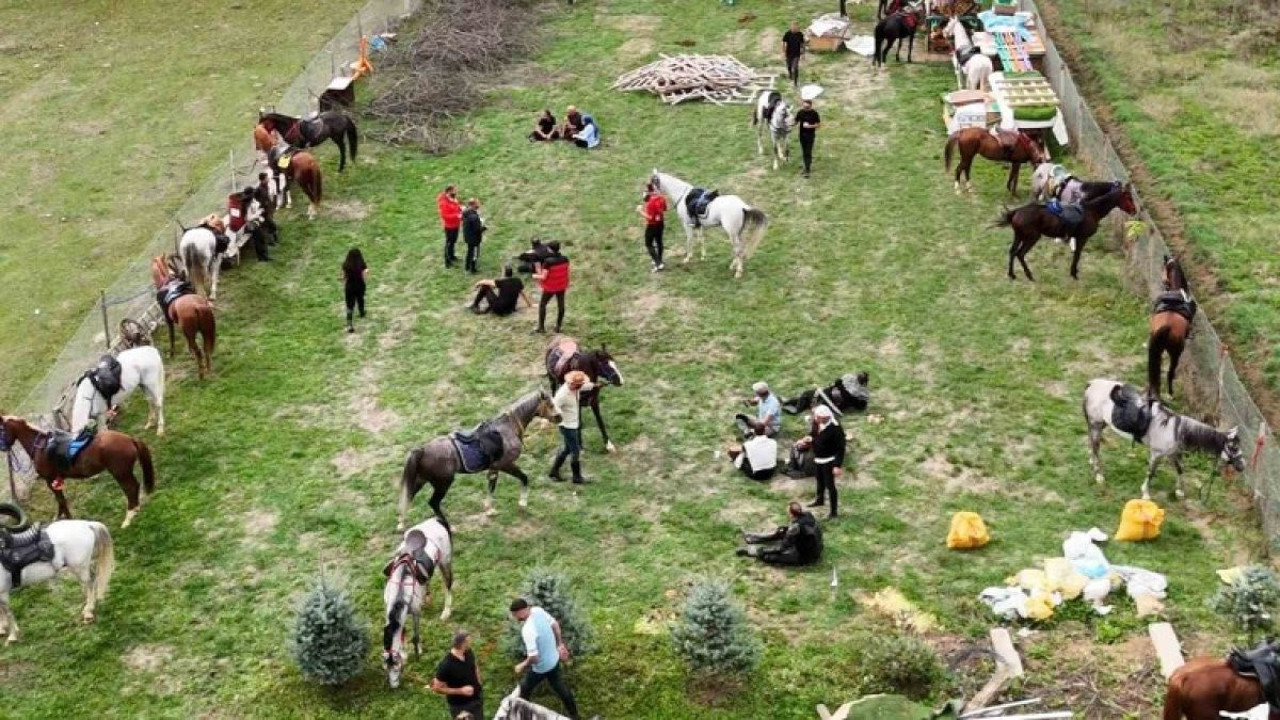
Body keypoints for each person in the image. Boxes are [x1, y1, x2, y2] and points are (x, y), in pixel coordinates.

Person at [510, 598, 581, 720]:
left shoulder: (527, 630)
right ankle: (574, 714)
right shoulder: (538, 610)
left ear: (521, 612)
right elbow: (555, 625)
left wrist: (522, 665)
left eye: (515, 615)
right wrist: (560, 644)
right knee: (560, 687)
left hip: (541, 667)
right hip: (554, 659)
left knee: (525, 689)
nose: (515, 618)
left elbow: (534, 657)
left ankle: (521, 714)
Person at [736, 502, 824, 565]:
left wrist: (763, 550)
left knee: (769, 556)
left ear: (791, 514)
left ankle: (749, 551)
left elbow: (781, 548)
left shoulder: (795, 527)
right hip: (815, 547)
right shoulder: (808, 515)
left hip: (805, 556)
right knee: (781, 532)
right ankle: (752, 537)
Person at [550, 370, 593, 484]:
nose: (580, 386)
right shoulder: (562, 395)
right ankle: (577, 477)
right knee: (575, 451)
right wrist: (549, 420)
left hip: (573, 424)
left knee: (567, 449)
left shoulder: (576, 388)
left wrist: (595, 386)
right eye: (578, 385)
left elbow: (585, 386)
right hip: (567, 426)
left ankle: (554, 471)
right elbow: (553, 407)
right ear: (572, 384)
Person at [431, 631, 484, 720]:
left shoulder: (468, 652)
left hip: (476, 700)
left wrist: (479, 683)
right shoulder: (446, 665)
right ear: (463, 644)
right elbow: (437, 688)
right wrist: (461, 691)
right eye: (469, 641)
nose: (471, 643)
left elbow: (474, 666)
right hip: (460, 706)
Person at [806, 405, 845, 518]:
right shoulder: (816, 423)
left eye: (818, 417)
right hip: (818, 458)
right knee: (819, 480)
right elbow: (813, 434)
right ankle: (820, 499)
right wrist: (808, 439)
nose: (815, 419)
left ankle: (833, 512)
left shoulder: (835, 428)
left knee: (830, 485)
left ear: (825, 417)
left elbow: (840, 448)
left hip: (829, 460)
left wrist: (837, 465)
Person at [782, 371, 870, 415]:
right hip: (831, 394)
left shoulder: (861, 392)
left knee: (809, 395)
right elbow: (837, 383)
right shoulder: (850, 379)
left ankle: (797, 409)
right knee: (810, 395)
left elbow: (861, 405)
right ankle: (789, 402)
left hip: (834, 403)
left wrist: (852, 401)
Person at [532, 241, 570, 334]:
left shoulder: (548, 262)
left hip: (551, 287)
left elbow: (543, 276)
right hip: (561, 285)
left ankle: (541, 328)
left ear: (550, 249)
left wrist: (534, 276)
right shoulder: (565, 259)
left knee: (543, 304)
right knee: (561, 305)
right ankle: (558, 326)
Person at [636, 182, 667, 271]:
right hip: (661, 223)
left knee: (648, 244)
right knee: (659, 242)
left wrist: (640, 211)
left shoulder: (650, 203)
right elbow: (664, 209)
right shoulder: (662, 197)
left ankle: (658, 263)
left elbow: (650, 217)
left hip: (652, 226)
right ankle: (660, 259)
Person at [341, 247, 369, 333]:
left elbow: (344, 277)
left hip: (350, 286)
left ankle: (350, 324)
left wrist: (342, 279)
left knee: (350, 305)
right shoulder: (361, 263)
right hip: (360, 285)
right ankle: (362, 312)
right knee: (360, 299)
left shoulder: (346, 265)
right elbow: (365, 273)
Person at [437, 184, 463, 268]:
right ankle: (447, 261)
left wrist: (460, 208)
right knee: (449, 243)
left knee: (453, 241)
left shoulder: (452, 199)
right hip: (449, 226)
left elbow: (456, 206)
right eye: (454, 191)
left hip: (456, 224)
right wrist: (457, 216)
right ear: (449, 191)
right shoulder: (443, 203)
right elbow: (445, 216)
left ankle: (452, 256)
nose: (456, 192)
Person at [795, 99, 821, 178]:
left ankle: (807, 170)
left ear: (810, 106)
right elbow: (795, 121)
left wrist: (809, 126)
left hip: (810, 135)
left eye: (806, 107)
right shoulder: (800, 112)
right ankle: (806, 165)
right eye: (804, 106)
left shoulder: (814, 114)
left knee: (808, 152)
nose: (805, 108)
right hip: (801, 135)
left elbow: (818, 125)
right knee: (804, 151)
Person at [462, 197, 486, 273]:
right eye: (477, 203)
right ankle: (473, 269)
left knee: (469, 251)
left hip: (468, 236)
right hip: (474, 239)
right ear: (473, 205)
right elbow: (477, 230)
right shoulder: (474, 217)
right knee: (474, 254)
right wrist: (483, 228)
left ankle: (467, 266)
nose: (479, 204)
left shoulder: (466, 212)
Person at [782, 21, 806, 87]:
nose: (794, 28)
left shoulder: (800, 34)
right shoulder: (787, 34)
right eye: (793, 27)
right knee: (789, 66)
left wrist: (803, 54)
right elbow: (783, 43)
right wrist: (783, 52)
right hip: (788, 53)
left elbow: (802, 44)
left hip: (796, 54)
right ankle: (790, 75)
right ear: (790, 27)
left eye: (795, 27)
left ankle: (795, 82)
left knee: (795, 68)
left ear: (797, 27)